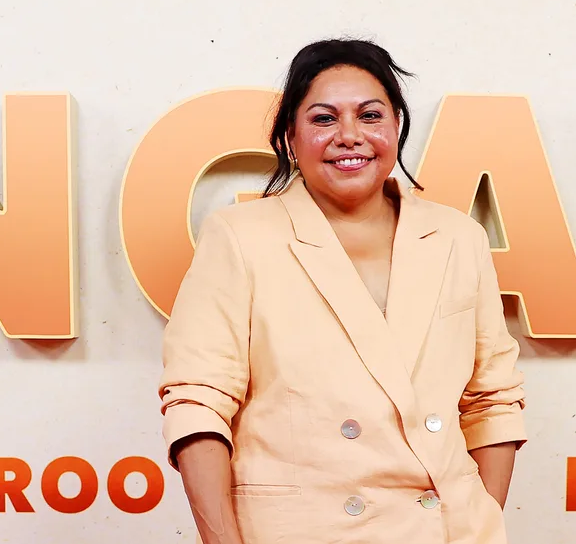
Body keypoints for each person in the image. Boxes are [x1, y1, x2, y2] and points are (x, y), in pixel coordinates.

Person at [158, 38, 526, 544]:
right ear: (290, 136)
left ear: (396, 125)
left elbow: (492, 400)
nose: (349, 136)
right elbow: (198, 403)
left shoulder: (458, 238)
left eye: (370, 115)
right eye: (324, 119)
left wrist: (479, 519)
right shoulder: (240, 237)